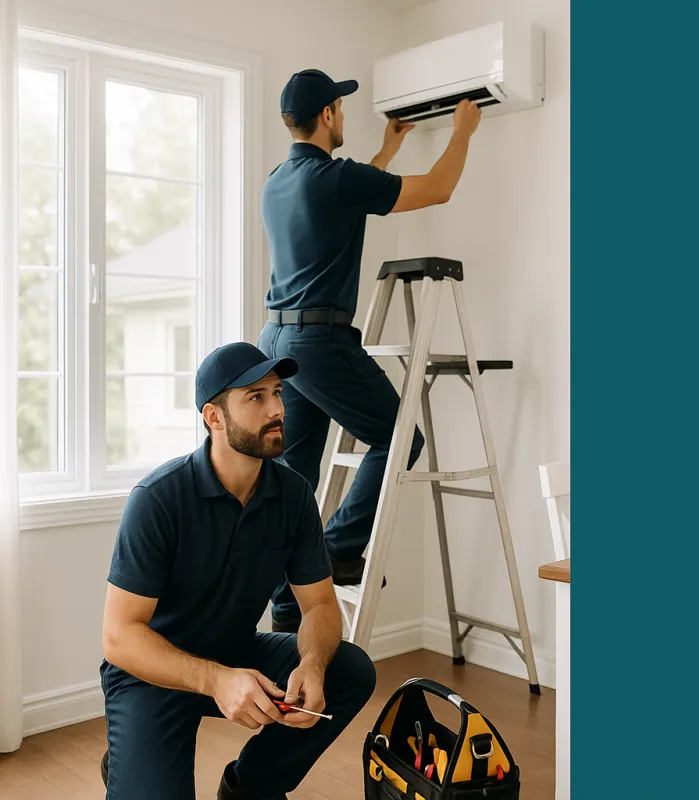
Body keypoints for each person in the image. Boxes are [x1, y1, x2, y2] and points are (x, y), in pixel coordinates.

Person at [256, 69, 483, 633]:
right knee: (402, 436)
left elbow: (346, 198)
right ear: (330, 115)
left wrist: (387, 148)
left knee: (297, 479)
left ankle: (286, 616)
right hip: (320, 343)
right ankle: (333, 551)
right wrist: (464, 130)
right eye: (341, 107)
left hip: (278, 342)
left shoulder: (278, 180)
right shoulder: (338, 179)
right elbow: (438, 188)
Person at [98, 342, 377, 800]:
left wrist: (311, 664)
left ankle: (250, 786)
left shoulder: (293, 495)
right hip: (150, 672)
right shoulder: (158, 499)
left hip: (233, 651)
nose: (277, 409)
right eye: (256, 397)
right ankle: (135, 754)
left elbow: (321, 604)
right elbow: (118, 636)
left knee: (348, 669)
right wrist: (214, 680)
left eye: (277, 392)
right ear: (214, 418)